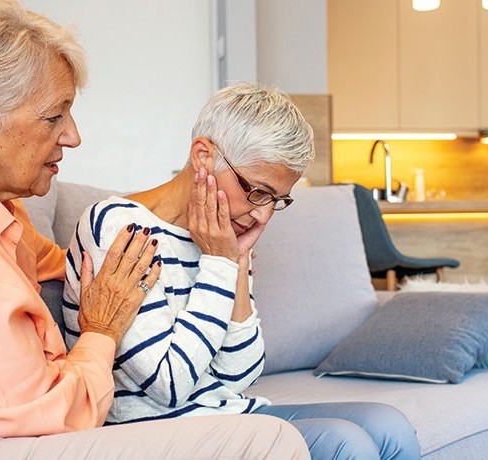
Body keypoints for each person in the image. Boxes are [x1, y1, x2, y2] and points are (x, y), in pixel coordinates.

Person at [0, 1, 310, 459]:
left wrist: (180, 233)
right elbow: (42, 412)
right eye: (53, 116)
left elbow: (75, 260)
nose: (73, 135)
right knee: (271, 440)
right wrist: (101, 333)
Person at [63, 83, 422, 460]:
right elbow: (168, 385)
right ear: (203, 157)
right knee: (345, 443)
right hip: (157, 432)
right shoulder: (119, 226)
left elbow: (239, 375)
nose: (263, 214)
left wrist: (233, 264)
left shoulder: (223, 233)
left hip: (228, 416)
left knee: (388, 426)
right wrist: (220, 264)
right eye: (257, 191)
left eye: (277, 200)